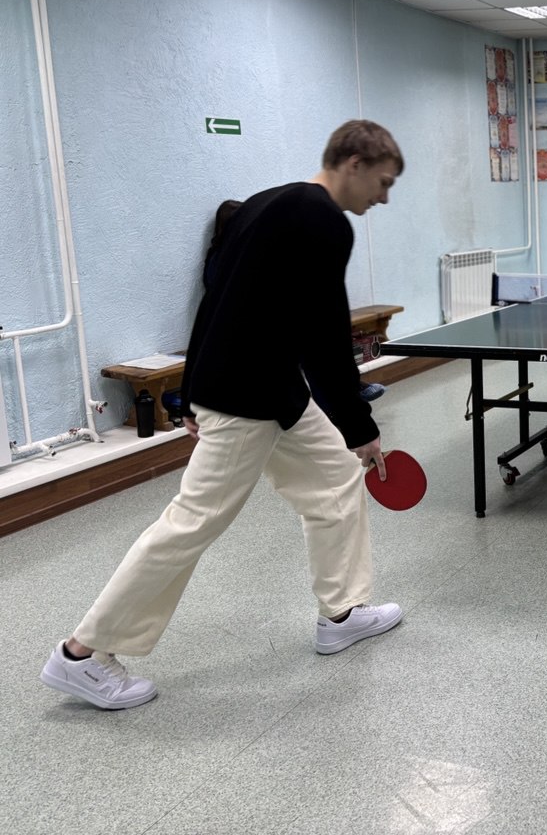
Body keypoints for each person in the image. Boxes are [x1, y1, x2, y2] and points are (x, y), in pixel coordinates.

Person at [39, 120, 407, 710]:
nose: (383, 198)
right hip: (246, 398)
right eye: (383, 183)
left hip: (271, 392)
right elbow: (323, 335)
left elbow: (216, 298)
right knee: (192, 523)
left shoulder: (265, 202)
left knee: (335, 477)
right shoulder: (324, 222)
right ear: (354, 164)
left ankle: (342, 613)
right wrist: (359, 426)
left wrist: (191, 389)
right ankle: (81, 654)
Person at [206, 199, 386, 403]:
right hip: (245, 332)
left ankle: (348, 390)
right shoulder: (221, 259)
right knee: (313, 342)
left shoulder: (246, 253)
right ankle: (348, 392)